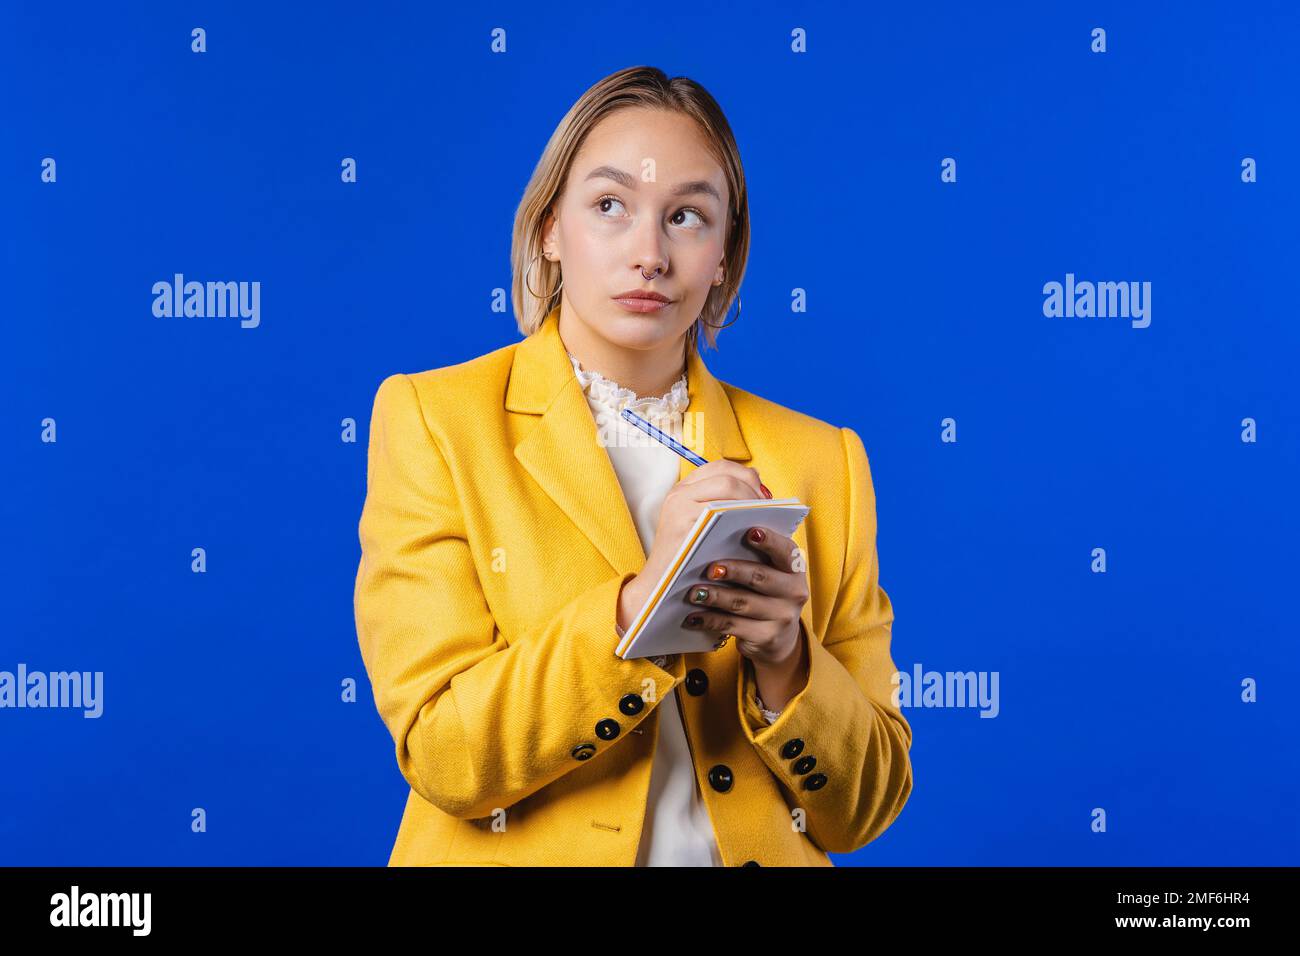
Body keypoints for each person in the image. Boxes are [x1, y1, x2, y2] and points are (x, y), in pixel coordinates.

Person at [353, 65, 912, 866]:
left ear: (724, 255)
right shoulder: (435, 420)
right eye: (610, 206)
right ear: (550, 229)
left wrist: (788, 661)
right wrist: (641, 606)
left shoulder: (826, 461)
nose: (649, 254)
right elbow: (444, 751)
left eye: (687, 216)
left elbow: (866, 809)